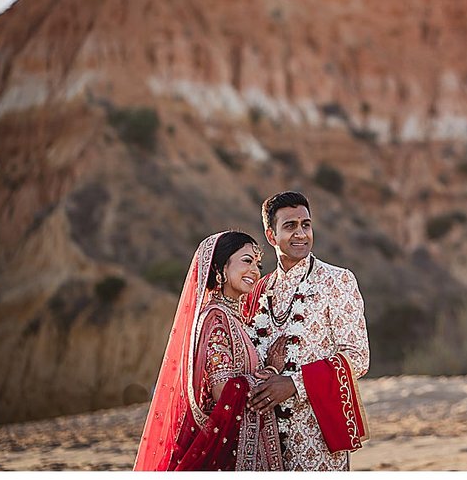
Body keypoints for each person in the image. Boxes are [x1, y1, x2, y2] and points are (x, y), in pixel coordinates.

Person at [134, 231, 284, 471]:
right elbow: (223, 390)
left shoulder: (232, 318)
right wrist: (273, 369)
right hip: (224, 450)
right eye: (246, 261)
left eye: (258, 264)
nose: (255, 271)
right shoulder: (216, 319)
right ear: (220, 268)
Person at [244, 190, 371, 471]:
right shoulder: (257, 291)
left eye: (306, 224)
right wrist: (271, 374)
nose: (300, 233)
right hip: (264, 432)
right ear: (271, 235)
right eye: (290, 226)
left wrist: (293, 385)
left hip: (318, 432)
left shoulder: (337, 281)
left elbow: (358, 357)